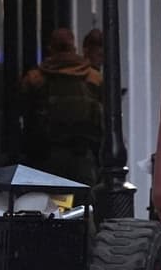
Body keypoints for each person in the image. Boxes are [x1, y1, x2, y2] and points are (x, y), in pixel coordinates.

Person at [19, 28, 103, 185]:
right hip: (83, 159)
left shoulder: (34, 79)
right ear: (74, 48)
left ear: (50, 48)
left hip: (44, 160)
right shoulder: (94, 78)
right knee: (84, 205)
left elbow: (24, 119)